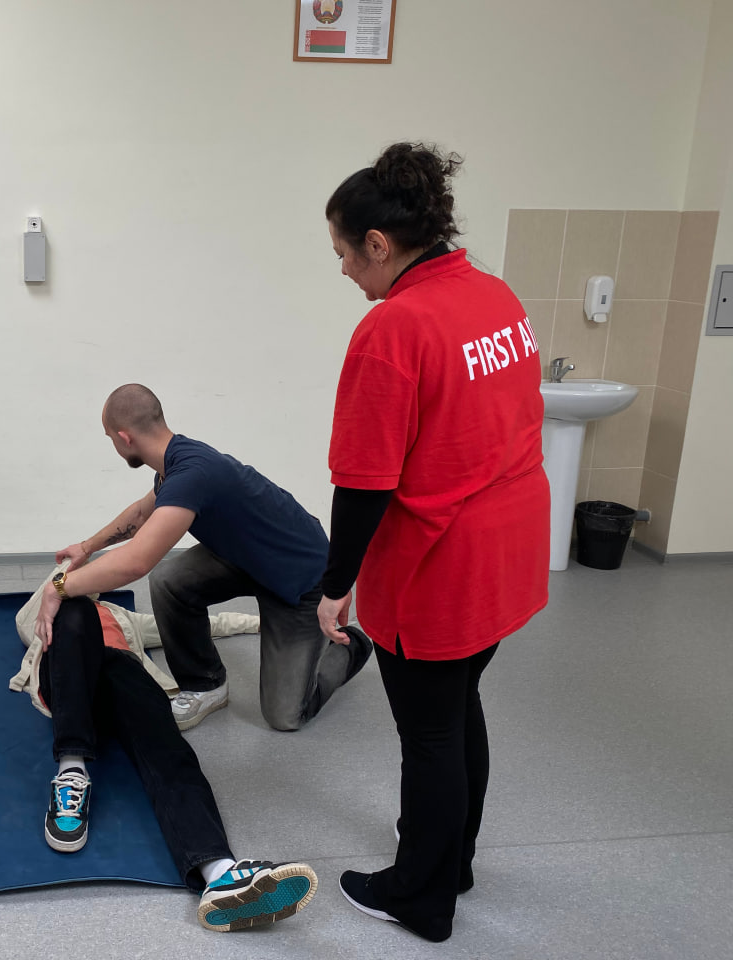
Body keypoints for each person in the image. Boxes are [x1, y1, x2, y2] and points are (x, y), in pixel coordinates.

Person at [319, 142, 549, 942]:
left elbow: (364, 482)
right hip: (509, 548)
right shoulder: (493, 295)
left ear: (379, 244)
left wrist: (335, 583)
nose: (344, 269)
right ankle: (454, 861)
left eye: (345, 253)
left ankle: (419, 894)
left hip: (441, 563)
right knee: (456, 708)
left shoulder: (395, 328)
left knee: (429, 732)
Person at [36, 383, 371, 732]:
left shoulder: (192, 473)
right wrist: (87, 547)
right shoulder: (174, 464)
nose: (114, 446)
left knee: (285, 716)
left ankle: (354, 647)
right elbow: (140, 514)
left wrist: (58, 587)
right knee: (169, 581)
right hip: (245, 559)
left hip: (301, 580)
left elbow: (136, 561)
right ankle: (205, 684)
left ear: (125, 437)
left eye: (110, 438)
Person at [14, 569, 317, 931]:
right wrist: (67, 579)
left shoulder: (124, 617)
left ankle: (219, 873)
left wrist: (261, 623)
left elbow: (209, 624)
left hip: (124, 676)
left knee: (170, 751)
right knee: (75, 610)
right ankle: (71, 770)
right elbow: (53, 599)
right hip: (69, 685)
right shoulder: (44, 608)